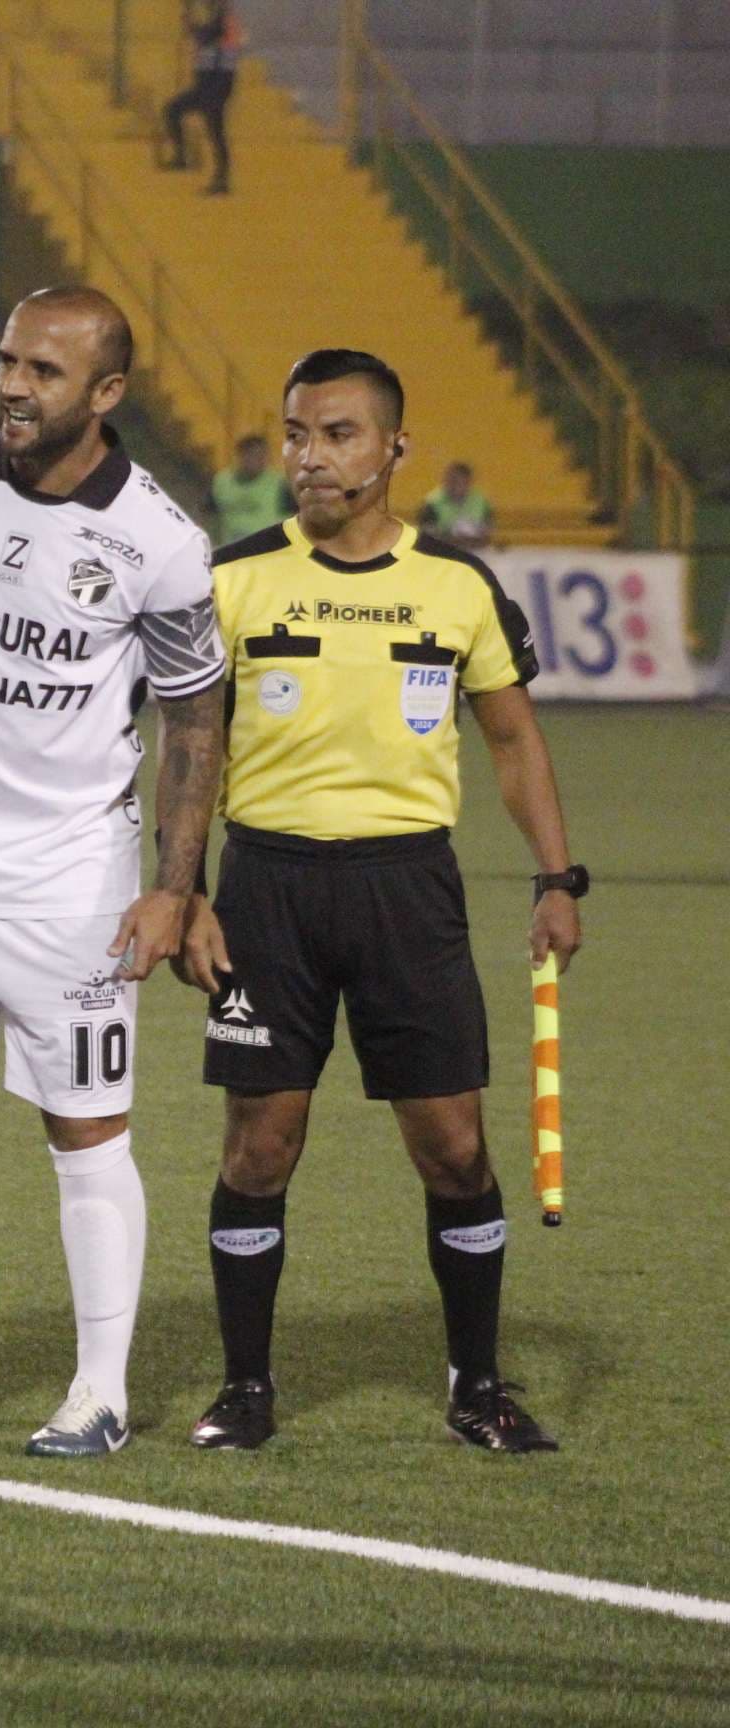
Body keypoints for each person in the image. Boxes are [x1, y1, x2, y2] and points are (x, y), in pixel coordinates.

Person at [178, 348, 580, 1454]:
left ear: (396, 448)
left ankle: (478, 1388)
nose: (312, 455)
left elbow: (512, 739)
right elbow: (189, 749)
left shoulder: (457, 584)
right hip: (268, 889)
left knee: (454, 1148)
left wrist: (556, 877)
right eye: (299, 433)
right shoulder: (233, 577)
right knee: (260, 1146)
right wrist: (186, 892)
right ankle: (246, 1391)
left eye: (340, 434)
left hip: (409, 889)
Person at [0, 285, 224, 1460]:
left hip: (72, 886)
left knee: (89, 1135)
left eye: (45, 373)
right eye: (8, 361)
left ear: (107, 394)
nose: (13, 386)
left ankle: (101, 1391)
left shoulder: (160, 542)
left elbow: (197, 726)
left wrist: (172, 884)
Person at [161, 0, 241, 196]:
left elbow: (207, 35)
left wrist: (191, 24)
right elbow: (203, 35)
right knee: (173, 110)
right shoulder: (216, 21)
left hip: (217, 85)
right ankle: (181, 156)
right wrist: (191, 25)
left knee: (215, 132)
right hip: (204, 85)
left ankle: (221, 179)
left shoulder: (224, 21)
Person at [211, 433, 295, 544]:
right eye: (252, 455)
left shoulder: (280, 485)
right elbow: (210, 516)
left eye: (262, 455)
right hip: (232, 550)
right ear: (240, 456)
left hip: (268, 551)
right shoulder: (222, 482)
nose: (258, 460)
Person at [417, 461, 495, 551]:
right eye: (451, 480)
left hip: (475, 550)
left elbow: (487, 532)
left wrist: (472, 540)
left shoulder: (481, 501)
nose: (454, 485)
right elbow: (427, 536)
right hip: (441, 551)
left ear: (469, 482)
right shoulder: (432, 502)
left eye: (459, 481)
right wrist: (454, 539)